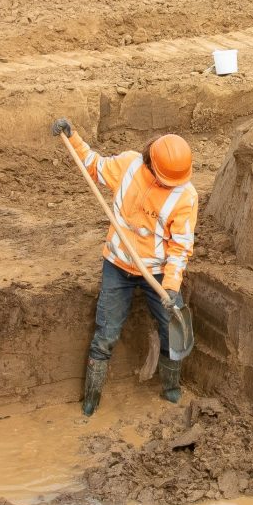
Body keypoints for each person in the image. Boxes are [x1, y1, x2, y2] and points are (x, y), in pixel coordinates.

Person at [50, 118, 199, 416]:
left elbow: (180, 248)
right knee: (105, 335)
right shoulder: (130, 166)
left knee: (174, 334)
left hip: (156, 273)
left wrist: (170, 287)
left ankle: (171, 388)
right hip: (117, 265)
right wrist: (73, 136)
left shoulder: (186, 196)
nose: (168, 186)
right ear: (151, 166)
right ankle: (90, 401)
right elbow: (93, 165)